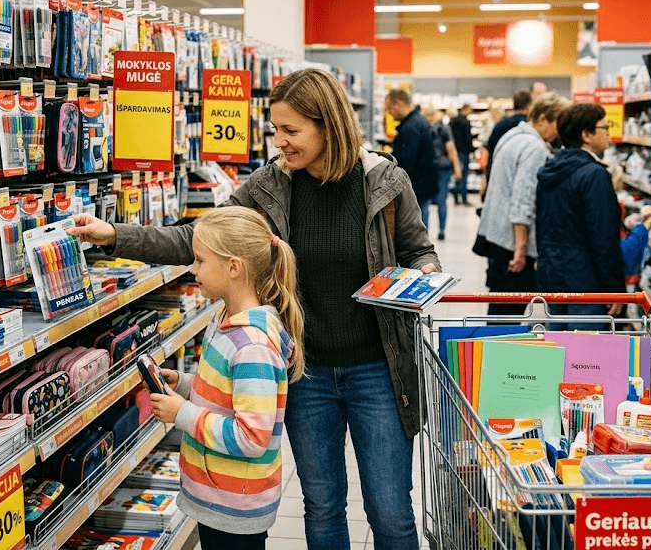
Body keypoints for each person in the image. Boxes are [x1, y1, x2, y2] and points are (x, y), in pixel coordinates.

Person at [68, 68, 439, 550]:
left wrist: (425, 273)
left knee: (390, 511)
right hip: (303, 371)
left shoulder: (384, 181)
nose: (278, 141)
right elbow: (201, 238)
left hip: (378, 370)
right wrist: (115, 234)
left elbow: (418, 249)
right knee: (322, 502)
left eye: (290, 130)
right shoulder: (269, 187)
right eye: (275, 129)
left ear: (328, 125)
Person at [147, 206, 304, 550]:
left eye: (200, 261)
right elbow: (226, 394)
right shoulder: (223, 319)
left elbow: (251, 438)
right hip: (217, 496)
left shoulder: (253, 347)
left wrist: (181, 414)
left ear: (234, 267)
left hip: (235, 508)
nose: (193, 269)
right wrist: (184, 385)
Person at [476, 92, 570, 316]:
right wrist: (521, 248)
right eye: (557, 124)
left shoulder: (512, 136)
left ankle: (493, 340)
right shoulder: (534, 148)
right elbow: (523, 199)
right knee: (509, 312)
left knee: (499, 308)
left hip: (495, 235)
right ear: (543, 118)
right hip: (512, 242)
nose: (559, 132)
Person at [534, 102, 625, 330]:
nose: (608, 133)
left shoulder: (550, 170)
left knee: (557, 349)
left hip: (553, 278)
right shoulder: (594, 175)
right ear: (586, 135)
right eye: (604, 127)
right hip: (586, 285)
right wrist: (615, 288)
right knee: (584, 352)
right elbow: (603, 238)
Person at [387, 89, 438, 229]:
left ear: (398, 104)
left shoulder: (410, 128)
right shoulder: (417, 121)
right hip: (423, 183)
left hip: (416, 186)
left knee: (416, 226)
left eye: (390, 108)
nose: (389, 113)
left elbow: (408, 161)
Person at [424, 107, 462, 240]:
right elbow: (451, 149)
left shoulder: (422, 128)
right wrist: (457, 167)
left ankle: (424, 232)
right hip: (443, 168)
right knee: (442, 200)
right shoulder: (444, 129)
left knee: (425, 202)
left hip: (427, 168)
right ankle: (441, 230)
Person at [449, 104, 474, 205]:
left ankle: (456, 196)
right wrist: (472, 149)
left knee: (457, 174)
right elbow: (468, 138)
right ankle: (464, 198)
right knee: (464, 175)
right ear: (465, 109)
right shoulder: (466, 122)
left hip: (455, 151)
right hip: (464, 151)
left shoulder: (453, 121)